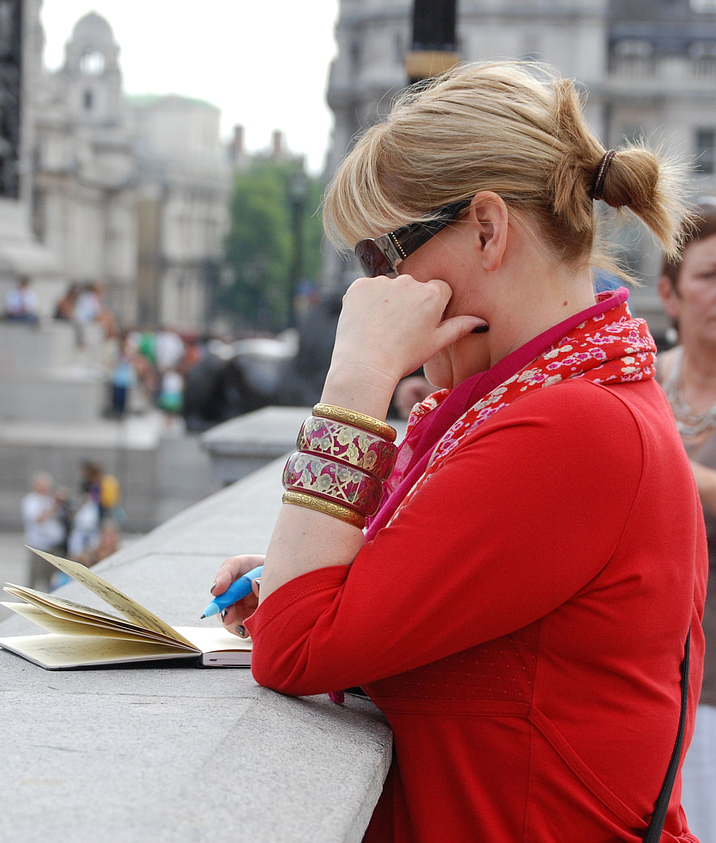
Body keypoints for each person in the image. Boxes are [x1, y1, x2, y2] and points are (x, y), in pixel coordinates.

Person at [211, 60, 707, 842]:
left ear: (486, 227)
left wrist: (357, 373)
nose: (374, 290)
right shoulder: (568, 401)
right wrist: (308, 570)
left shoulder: (571, 429)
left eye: (384, 256)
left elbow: (296, 645)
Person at [657, 198, 716, 843]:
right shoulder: (636, 379)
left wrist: (662, 464)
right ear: (670, 295)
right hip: (648, 682)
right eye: (710, 275)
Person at [21, 472, 67, 590]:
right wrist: (55, 505)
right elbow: (38, 519)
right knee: (34, 579)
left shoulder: (49, 500)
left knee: (51, 579)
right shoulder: (31, 500)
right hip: (38, 545)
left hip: (54, 546)